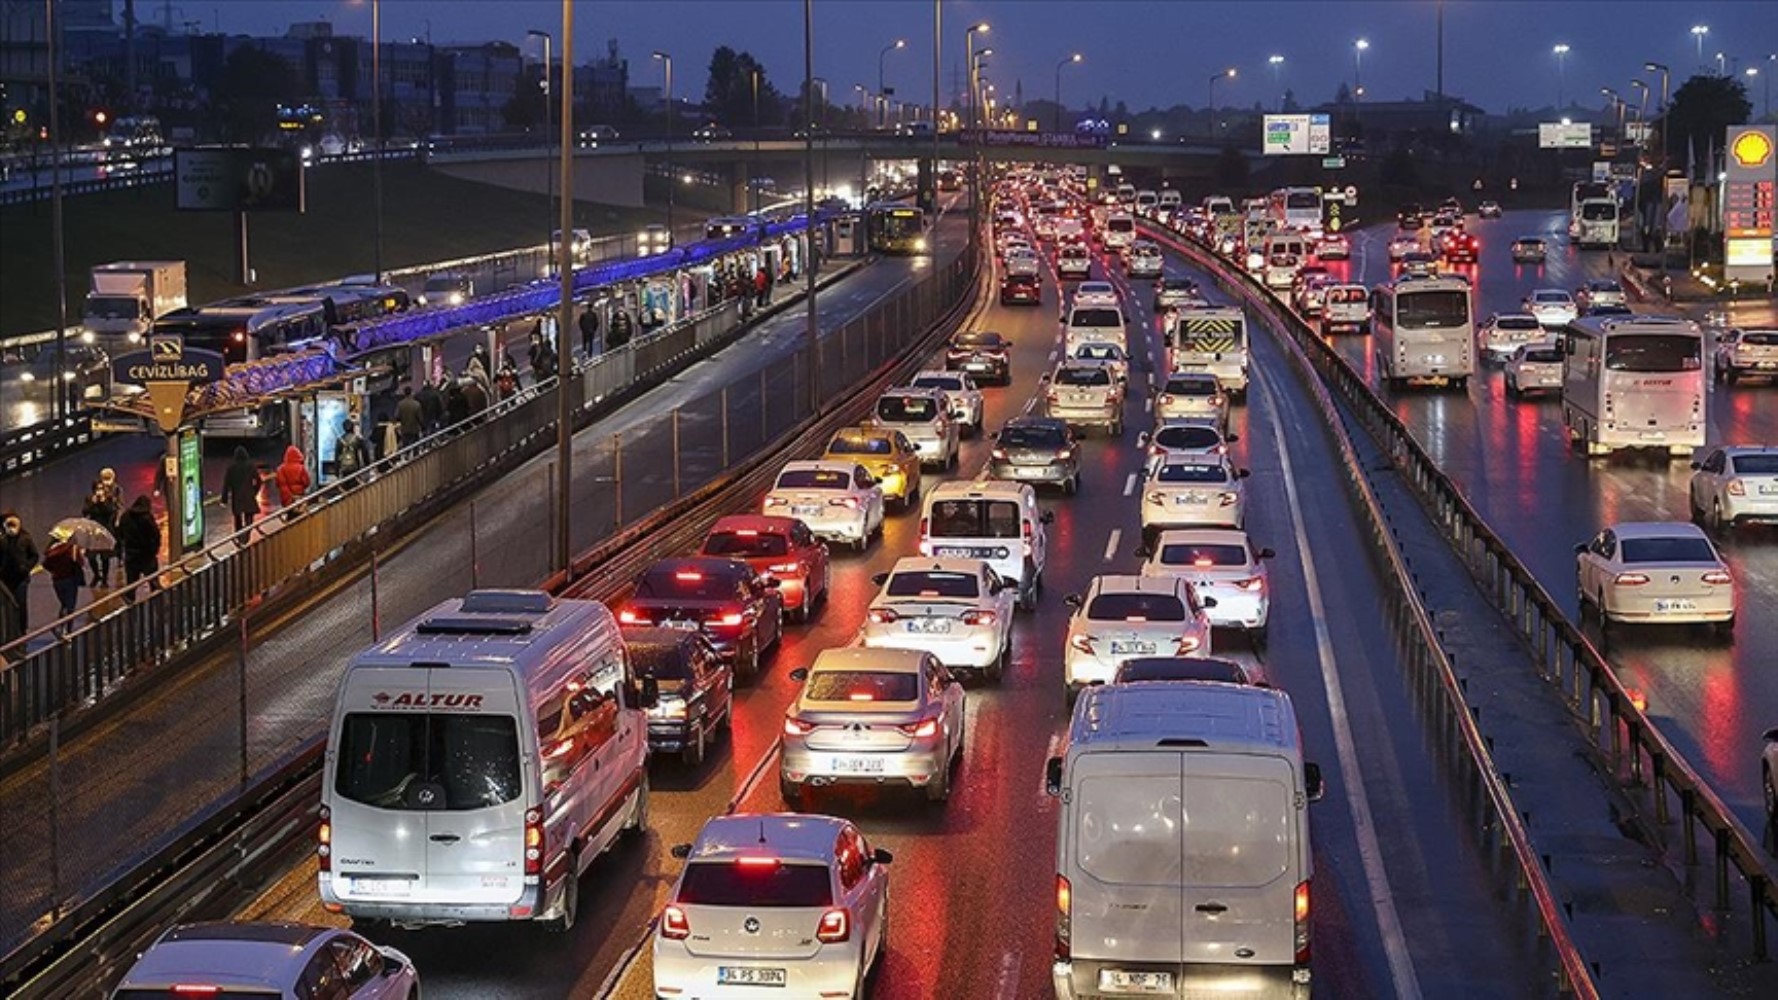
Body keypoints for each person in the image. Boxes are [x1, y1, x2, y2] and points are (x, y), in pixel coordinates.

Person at [1, 512, 40, 640]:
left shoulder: (25, 538)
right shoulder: (2, 540)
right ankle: (10, 630)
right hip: (5, 578)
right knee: (8, 605)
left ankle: (22, 629)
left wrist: (26, 567)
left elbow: (34, 555)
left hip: (21, 579)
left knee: (21, 603)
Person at [115, 495, 161, 599]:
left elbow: (120, 534)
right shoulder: (147, 518)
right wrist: (154, 550)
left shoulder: (125, 516)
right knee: (153, 582)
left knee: (131, 584)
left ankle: (130, 604)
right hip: (147, 556)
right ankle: (157, 605)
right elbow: (155, 535)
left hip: (131, 555)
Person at [83, 467, 122, 586]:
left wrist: (104, 502)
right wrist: (93, 504)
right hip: (93, 530)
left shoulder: (109, 498)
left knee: (105, 557)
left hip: (105, 529)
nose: (99, 491)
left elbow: (111, 511)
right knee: (91, 556)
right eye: (97, 489)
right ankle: (96, 574)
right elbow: (85, 512)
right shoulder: (89, 499)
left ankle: (105, 578)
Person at [41, 527, 84, 628]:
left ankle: (61, 625)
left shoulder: (51, 549)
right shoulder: (72, 549)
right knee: (70, 606)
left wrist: (55, 571)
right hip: (70, 579)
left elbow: (46, 565)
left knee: (63, 603)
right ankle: (69, 629)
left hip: (57, 580)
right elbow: (80, 563)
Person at [220, 446, 262, 532]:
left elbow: (226, 484)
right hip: (249, 496)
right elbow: (259, 481)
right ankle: (248, 533)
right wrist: (254, 491)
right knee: (249, 516)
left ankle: (239, 534)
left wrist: (224, 500)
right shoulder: (251, 466)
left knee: (237, 517)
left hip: (237, 496)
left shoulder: (231, 468)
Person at [395, 385, 424, 450]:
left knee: (406, 447)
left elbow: (397, 416)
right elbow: (420, 418)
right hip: (415, 429)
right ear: (411, 393)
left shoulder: (400, 404)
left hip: (405, 429)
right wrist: (422, 427)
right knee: (415, 446)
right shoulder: (416, 404)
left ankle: (406, 457)